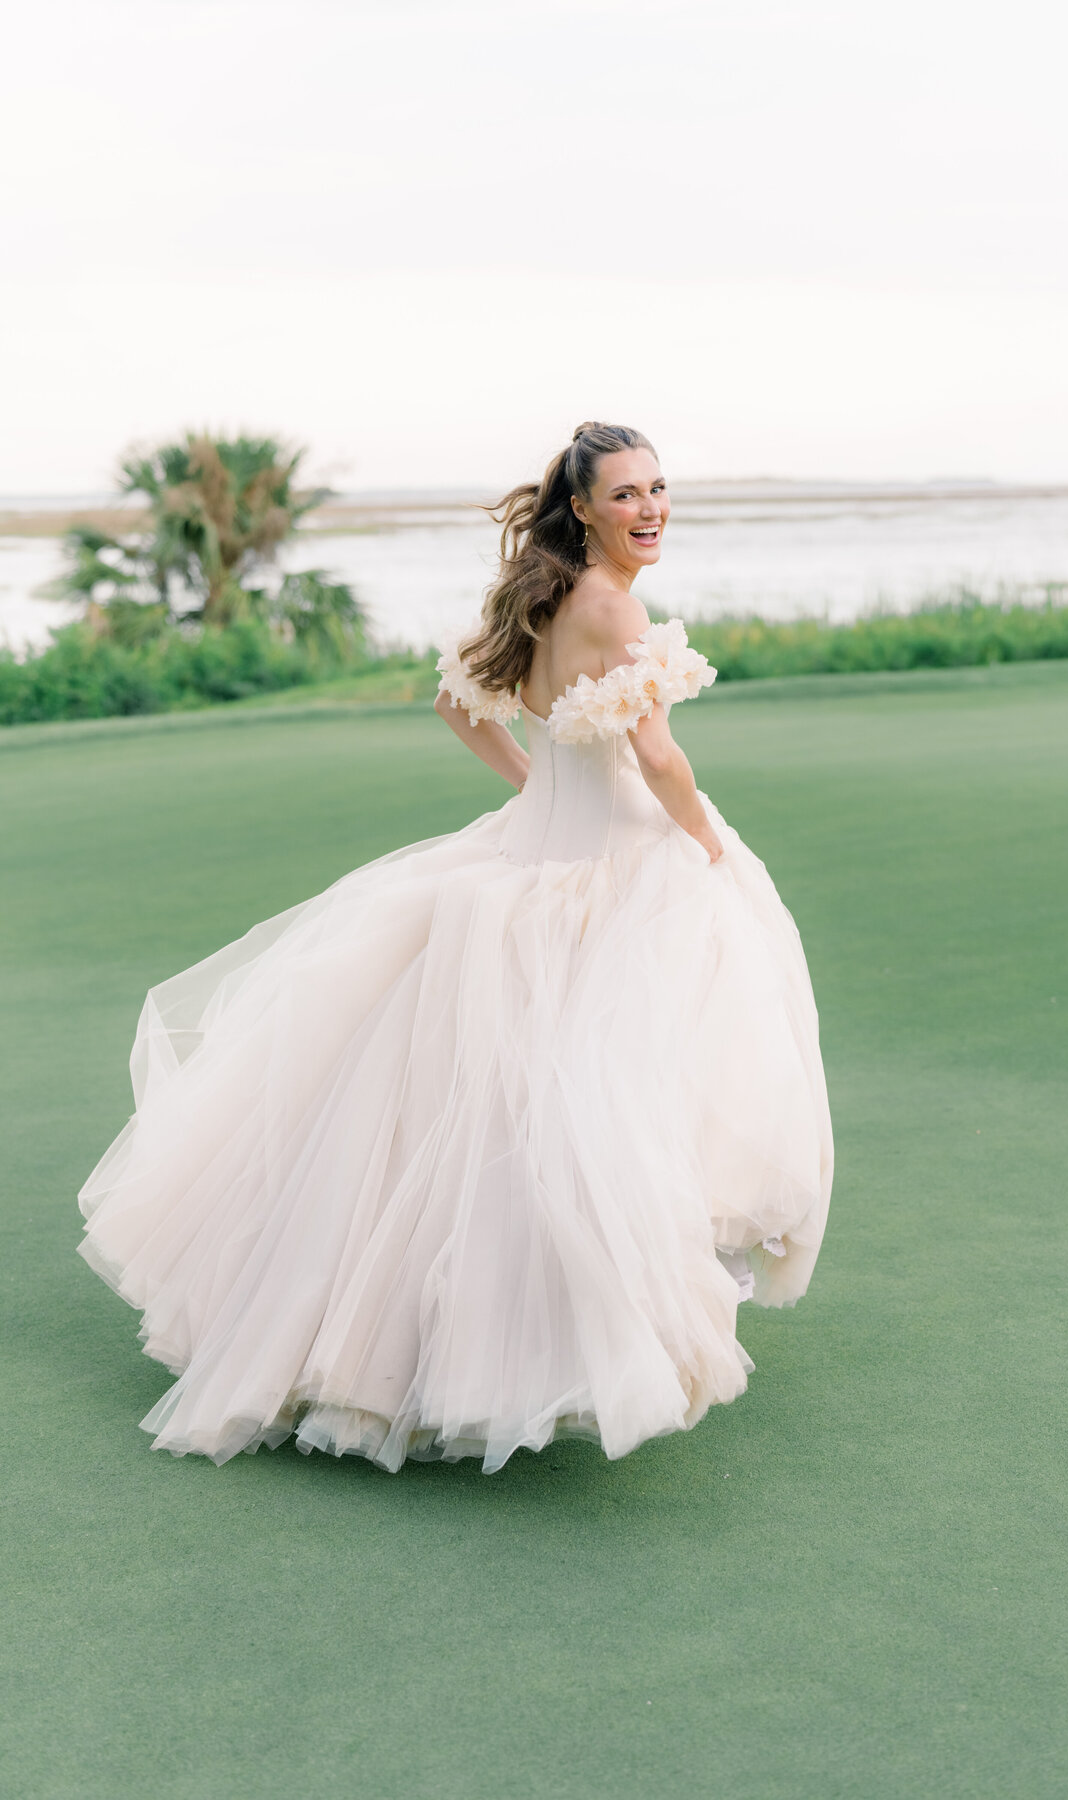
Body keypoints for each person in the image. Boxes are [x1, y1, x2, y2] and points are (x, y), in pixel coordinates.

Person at [78, 421, 834, 1475]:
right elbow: (657, 754)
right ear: (582, 508)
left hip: (521, 871)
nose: (651, 509)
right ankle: (544, 1344)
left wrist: (533, 787)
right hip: (609, 876)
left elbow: (458, 703)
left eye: (660, 489)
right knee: (596, 1101)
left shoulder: (543, 598)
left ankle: (413, 1348)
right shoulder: (616, 606)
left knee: (493, 1112)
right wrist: (707, 841)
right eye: (627, 495)